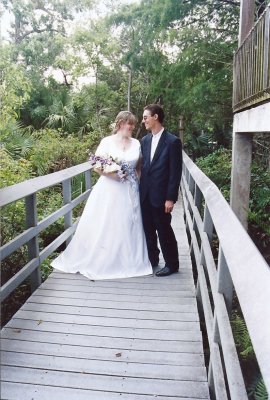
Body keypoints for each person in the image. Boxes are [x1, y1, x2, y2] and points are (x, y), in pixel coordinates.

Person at [51, 111, 152, 280]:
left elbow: (139, 167)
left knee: (127, 222)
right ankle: (104, 258)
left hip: (129, 190)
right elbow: (96, 166)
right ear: (120, 123)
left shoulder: (136, 143)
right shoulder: (107, 142)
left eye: (134, 124)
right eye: (130, 124)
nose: (133, 127)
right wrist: (114, 175)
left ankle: (126, 259)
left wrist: (135, 181)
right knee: (107, 222)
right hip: (109, 188)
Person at [140, 104, 182, 277]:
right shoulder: (145, 140)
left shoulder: (172, 141)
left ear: (155, 117)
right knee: (148, 229)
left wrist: (170, 198)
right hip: (145, 195)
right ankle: (153, 259)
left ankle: (172, 264)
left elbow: (175, 172)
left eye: (145, 117)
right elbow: (143, 168)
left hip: (162, 196)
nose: (144, 121)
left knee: (164, 230)